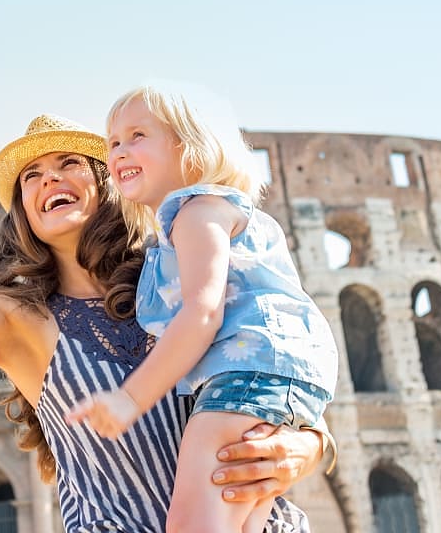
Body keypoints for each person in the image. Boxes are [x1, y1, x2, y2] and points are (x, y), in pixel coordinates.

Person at [0, 44, 333, 532]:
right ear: (24, 213)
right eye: (32, 176)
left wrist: (308, 446)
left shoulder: (173, 279)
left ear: (108, 184)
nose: (49, 178)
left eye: (69, 163)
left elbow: (274, 369)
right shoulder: (15, 320)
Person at [68, 85, 339, 532]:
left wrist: (129, 398)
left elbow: (203, 312)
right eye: (113, 142)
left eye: (138, 136)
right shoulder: (188, 223)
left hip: (245, 378)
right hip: (265, 380)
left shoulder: (196, 213)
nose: (119, 151)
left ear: (190, 148)